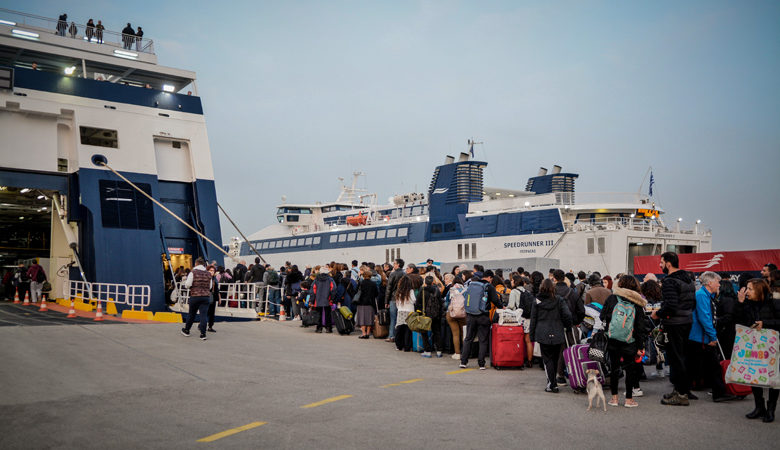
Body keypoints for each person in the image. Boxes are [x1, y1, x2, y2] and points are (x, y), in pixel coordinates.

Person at [651, 252, 696, 406]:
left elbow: (671, 305)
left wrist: (658, 314)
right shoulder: (689, 279)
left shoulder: (670, 281)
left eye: (661, 262)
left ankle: (681, 394)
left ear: (668, 263)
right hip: (687, 321)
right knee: (684, 357)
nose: (660, 265)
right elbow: (692, 303)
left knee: (676, 358)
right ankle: (682, 390)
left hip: (675, 324)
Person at [688, 271, 736, 402]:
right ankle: (718, 393)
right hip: (702, 337)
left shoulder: (704, 295)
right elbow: (705, 318)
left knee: (700, 364)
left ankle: (684, 390)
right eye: (717, 282)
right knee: (711, 365)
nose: (719, 284)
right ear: (710, 283)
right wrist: (712, 336)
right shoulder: (702, 296)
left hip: (700, 337)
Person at [600, 275, 648, 407]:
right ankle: (628, 399)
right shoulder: (637, 302)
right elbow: (640, 327)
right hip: (630, 341)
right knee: (630, 370)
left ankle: (614, 399)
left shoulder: (612, 298)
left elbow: (602, 316)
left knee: (614, 368)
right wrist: (640, 345)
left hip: (613, 339)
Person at [737, 278, 779, 422]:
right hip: (754, 345)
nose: (747, 292)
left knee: (773, 378)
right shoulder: (748, 304)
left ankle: (771, 409)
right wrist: (741, 304)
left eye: (750, 289)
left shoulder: (774, 302)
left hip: (773, 346)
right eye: (746, 288)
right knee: (754, 375)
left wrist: (765, 324)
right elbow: (740, 321)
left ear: (759, 290)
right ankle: (759, 407)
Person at [529, 279, 573, 392]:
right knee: (554, 358)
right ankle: (553, 383)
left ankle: (552, 384)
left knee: (547, 359)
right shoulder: (559, 300)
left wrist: (532, 335)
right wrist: (567, 327)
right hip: (557, 331)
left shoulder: (537, 301)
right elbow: (567, 315)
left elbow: (533, 319)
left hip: (542, 332)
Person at [459, 270, 503, 370]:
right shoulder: (489, 286)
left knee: (468, 338)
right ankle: (481, 364)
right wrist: (502, 307)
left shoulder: (472, 284)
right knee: (483, 340)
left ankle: (463, 362)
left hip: (470, 315)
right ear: (490, 278)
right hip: (483, 316)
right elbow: (495, 300)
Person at [181, 258, 211, 340]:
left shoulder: (193, 272)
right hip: (205, 297)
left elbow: (187, 284)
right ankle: (203, 334)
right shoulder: (208, 274)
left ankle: (186, 330)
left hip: (195, 296)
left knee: (191, 314)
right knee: (203, 315)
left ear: (196, 264)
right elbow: (210, 286)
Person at [417, 275, 444, 357]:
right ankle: (439, 351)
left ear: (425, 282)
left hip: (425, 314)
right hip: (435, 314)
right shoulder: (437, 290)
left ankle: (427, 351)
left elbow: (418, 302)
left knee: (424, 332)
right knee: (437, 332)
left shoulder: (422, 290)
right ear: (433, 282)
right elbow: (440, 302)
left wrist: (419, 312)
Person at [445, 275, 467, 360]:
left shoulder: (451, 290)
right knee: (463, 334)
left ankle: (457, 354)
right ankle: (465, 352)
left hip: (451, 314)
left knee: (455, 334)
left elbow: (447, 303)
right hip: (463, 314)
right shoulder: (465, 289)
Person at [355, 268, 378, 339]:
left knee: (362, 318)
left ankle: (363, 333)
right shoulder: (373, 284)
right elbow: (377, 293)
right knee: (369, 319)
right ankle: (368, 333)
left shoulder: (361, 283)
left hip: (361, 303)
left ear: (363, 275)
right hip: (370, 303)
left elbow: (356, 291)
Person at [384, 258, 404, 342]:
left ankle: (391, 335)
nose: (394, 265)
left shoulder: (393, 274)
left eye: (395, 263)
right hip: (402, 298)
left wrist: (386, 301)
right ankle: (399, 336)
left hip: (393, 298)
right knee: (400, 318)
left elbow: (389, 288)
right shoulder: (404, 274)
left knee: (393, 318)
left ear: (398, 264)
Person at [394, 276, 415, 351]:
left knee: (399, 328)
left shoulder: (398, 291)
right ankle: (407, 346)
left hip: (401, 311)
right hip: (410, 311)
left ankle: (399, 345)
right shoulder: (411, 291)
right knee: (408, 329)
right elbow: (413, 300)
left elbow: (397, 303)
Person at [312, 267, 335, 333]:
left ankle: (319, 328)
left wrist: (312, 300)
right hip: (328, 299)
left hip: (318, 299)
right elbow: (333, 289)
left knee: (319, 314)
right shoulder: (330, 279)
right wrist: (332, 298)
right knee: (328, 314)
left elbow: (313, 290)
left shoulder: (316, 280)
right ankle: (328, 328)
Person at [207, 265, 219, 333]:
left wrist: (219, 297)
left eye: (213, 271)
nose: (212, 272)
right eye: (210, 270)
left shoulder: (214, 278)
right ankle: (202, 324)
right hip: (207, 295)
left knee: (212, 312)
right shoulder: (206, 278)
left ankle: (210, 326)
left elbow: (217, 289)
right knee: (206, 311)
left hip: (213, 296)